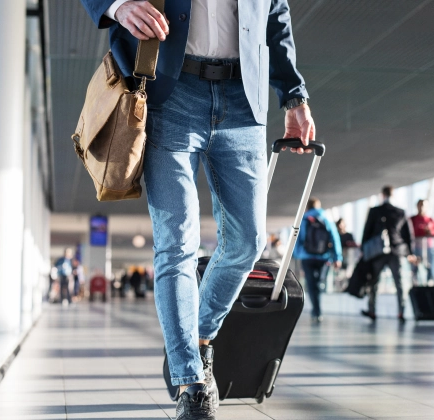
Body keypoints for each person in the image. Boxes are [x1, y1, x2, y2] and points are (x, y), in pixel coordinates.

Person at [80, 1, 314, 418]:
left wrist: (294, 97)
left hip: (244, 102)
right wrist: (116, 7)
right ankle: (191, 384)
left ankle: (199, 337)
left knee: (247, 241)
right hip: (171, 94)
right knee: (177, 244)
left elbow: (275, 15)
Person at [361, 186, 416, 322]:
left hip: (377, 252)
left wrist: (364, 250)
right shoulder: (400, 212)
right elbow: (408, 235)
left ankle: (372, 310)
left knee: (374, 283)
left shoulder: (375, 211)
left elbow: (367, 231)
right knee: (399, 283)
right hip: (397, 251)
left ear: (383, 195)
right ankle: (401, 312)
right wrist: (410, 253)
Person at [293, 198, 342, 323]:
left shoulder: (303, 219)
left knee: (311, 284)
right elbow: (334, 238)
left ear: (307, 207)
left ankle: (316, 311)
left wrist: (298, 254)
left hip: (307, 257)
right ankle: (318, 309)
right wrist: (337, 257)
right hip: (324, 257)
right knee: (319, 284)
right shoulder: (326, 219)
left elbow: (297, 239)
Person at [409, 199, 434, 284]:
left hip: (428, 248)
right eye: (420, 205)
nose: (422, 207)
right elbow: (408, 233)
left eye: (423, 205)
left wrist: (430, 232)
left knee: (430, 268)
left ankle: (430, 284)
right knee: (414, 268)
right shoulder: (412, 219)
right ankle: (415, 286)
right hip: (415, 248)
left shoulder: (430, 220)